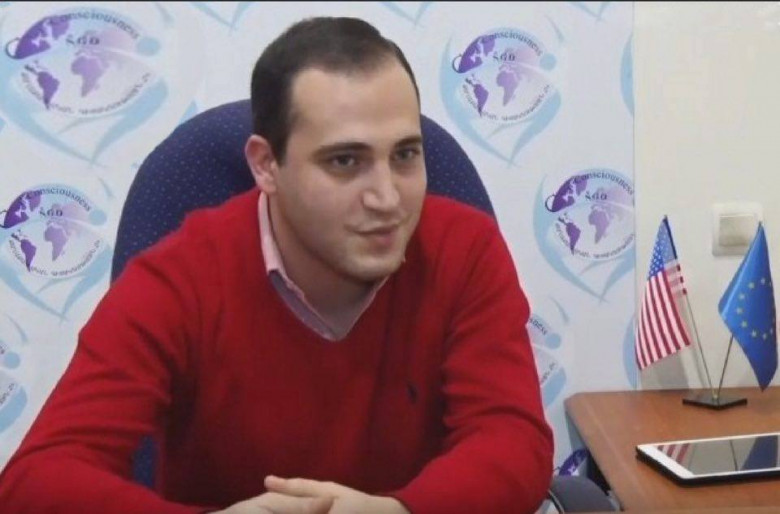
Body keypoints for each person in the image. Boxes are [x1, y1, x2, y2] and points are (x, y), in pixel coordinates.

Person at [0, 16, 553, 514]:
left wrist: (398, 511)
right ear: (266, 165)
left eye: (404, 154)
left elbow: (513, 441)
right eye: (345, 161)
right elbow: (36, 482)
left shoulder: (465, 249)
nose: (388, 198)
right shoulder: (179, 277)